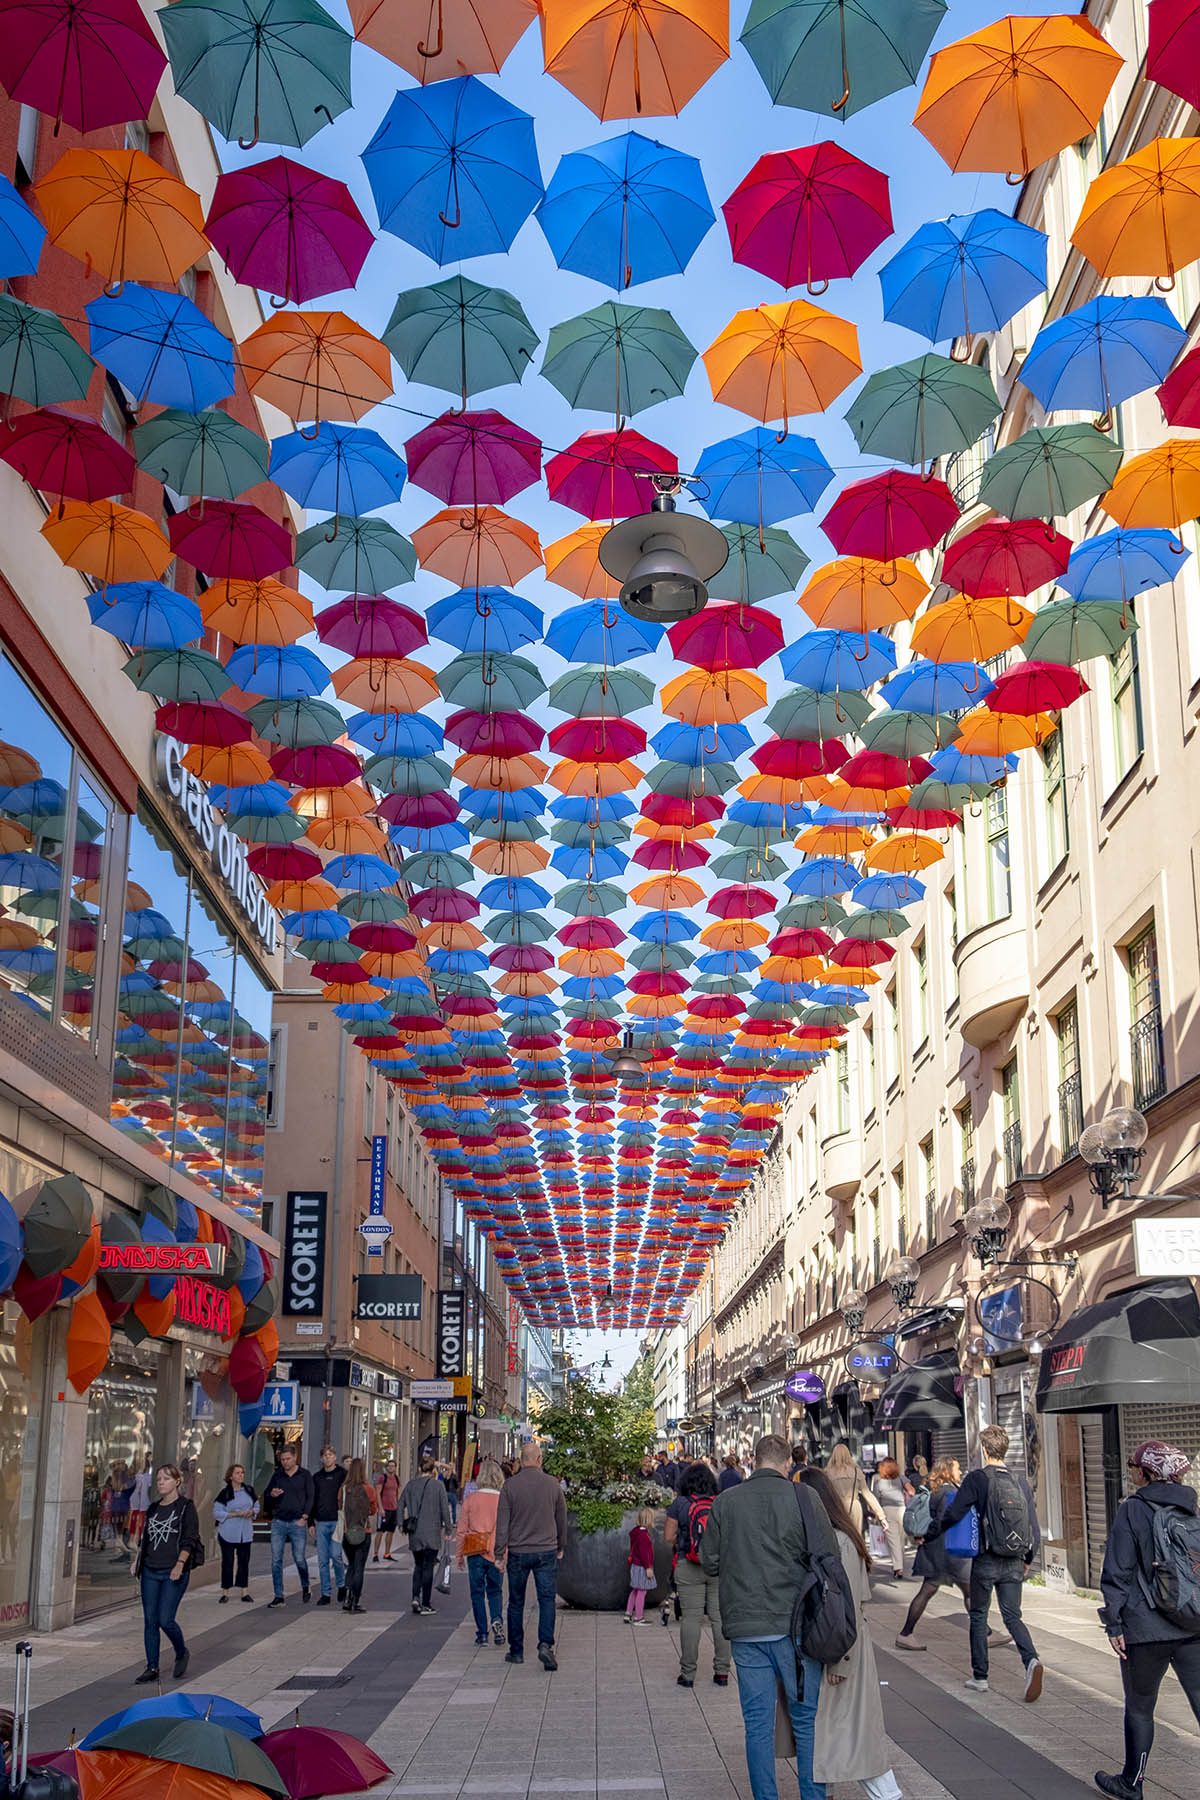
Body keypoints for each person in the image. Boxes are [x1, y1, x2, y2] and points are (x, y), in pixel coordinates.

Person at [700, 1433, 837, 1800]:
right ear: (787, 1463)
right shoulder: (805, 1498)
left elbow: (709, 1560)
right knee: (806, 1721)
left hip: (746, 1628)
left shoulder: (726, 1502)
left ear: (753, 1460)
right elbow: (828, 1555)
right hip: (796, 1628)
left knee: (757, 1725)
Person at [1094, 1440, 1200, 1799]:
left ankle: (1132, 1783)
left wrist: (1114, 1623)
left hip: (1144, 1628)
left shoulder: (1132, 1510)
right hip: (1192, 1623)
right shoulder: (1191, 1507)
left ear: (1148, 1472)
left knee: (1140, 1707)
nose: (1130, 1470)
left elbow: (1118, 1570)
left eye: (1134, 1465)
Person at [924, 1423, 1043, 1701]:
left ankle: (980, 1677)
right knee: (1013, 1616)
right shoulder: (1019, 1481)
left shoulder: (977, 1479)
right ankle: (1031, 1660)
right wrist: (1027, 1559)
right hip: (1014, 1558)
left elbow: (953, 1514)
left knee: (978, 1615)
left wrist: (929, 1535)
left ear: (985, 1450)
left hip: (987, 1558)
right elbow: (1033, 1527)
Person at [494, 1440, 567, 1671]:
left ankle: (516, 1651)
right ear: (539, 1460)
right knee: (547, 1600)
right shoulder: (553, 1485)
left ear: (520, 1460)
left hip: (518, 1551)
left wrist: (498, 1553)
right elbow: (561, 1519)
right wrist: (560, 1546)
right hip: (546, 1550)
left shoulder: (509, 1486)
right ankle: (545, 1644)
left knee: (516, 1602)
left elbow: (502, 1523)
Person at [132, 1464, 202, 1684]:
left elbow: (189, 1538)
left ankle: (181, 1652)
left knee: (165, 1619)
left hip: (173, 1570)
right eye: (159, 1479)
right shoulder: (153, 1508)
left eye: (166, 1479)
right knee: (150, 1620)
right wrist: (137, 1560)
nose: (161, 1482)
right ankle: (152, 1666)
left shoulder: (185, 1507)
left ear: (177, 1482)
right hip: (150, 1570)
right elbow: (146, 1538)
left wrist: (180, 1564)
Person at [894, 1458, 973, 1650]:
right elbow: (942, 1521)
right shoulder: (949, 1492)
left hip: (941, 1552)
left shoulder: (939, 1490)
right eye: (957, 1468)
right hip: (944, 1552)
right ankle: (905, 1633)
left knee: (961, 1590)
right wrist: (927, 1537)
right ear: (947, 1471)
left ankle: (985, 1632)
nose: (960, 1472)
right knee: (962, 1590)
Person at [665, 1460, 730, 1688]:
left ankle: (688, 1673)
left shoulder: (680, 1503)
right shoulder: (720, 1502)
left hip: (687, 1564)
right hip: (717, 1567)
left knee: (691, 1618)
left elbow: (668, 1536)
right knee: (719, 1617)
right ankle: (722, 1672)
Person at [457, 1455, 505, 1646]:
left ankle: (482, 1634)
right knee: (495, 1590)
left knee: (477, 1593)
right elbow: (507, 1529)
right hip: (496, 1552)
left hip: (475, 1551)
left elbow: (461, 1530)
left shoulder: (471, 1499)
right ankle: (496, 1619)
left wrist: (459, 1555)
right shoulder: (503, 1500)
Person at [401, 1455, 452, 1616]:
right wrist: (449, 1529)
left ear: (419, 1469)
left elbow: (400, 1504)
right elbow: (445, 1509)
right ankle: (426, 1603)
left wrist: (400, 1524)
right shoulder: (438, 1486)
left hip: (415, 1532)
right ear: (433, 1470)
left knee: (418, 1565)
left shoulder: (410, 1485)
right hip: (432, 1532)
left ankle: (415, 1596)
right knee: (428, 1566)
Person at [266, 1443, 313, 1608]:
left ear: (295, 1458)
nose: (285, 1462)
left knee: (299, 1558)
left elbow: (311, 1497)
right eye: (282, 1459)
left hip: (297, 1521)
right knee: (276, 1560)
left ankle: (306, 1585)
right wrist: (272, 1494)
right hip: (279, 1521)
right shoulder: (277, 1475)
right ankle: (278, 1595)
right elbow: (267, 1497)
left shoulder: (305, 1475)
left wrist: (305, 1517)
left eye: (288, 1459)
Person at [213, 1463, 259, 1604]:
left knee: (244, 1562)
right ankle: (225, 1592)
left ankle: (244, 1591)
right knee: (228, 1562)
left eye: (242, 1472)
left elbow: (256, 1505)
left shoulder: (249, 1490)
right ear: (230, 1476)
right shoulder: (225, 1493)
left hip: (245, 1533)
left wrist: (252, 1512)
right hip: (228, 1532)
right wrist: (234, 1514)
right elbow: (217, 1512)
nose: (241, 1475)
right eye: (238, 1473)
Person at [825, 1442, 888, 1539]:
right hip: (854, 1507)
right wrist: (881, 1516)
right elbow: (868, 1494)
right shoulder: (856, 1472)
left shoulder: (827, 1473)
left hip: (836, 1508)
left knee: (837, 1538)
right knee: (856, 1539)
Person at [311, 1445, 347, 1607]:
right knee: (322, 1560)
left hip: (337, 1520)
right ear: (321, 1458)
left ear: (334, 1457)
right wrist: (311, 1522)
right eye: (325, 1455)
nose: (327, 1457)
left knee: (336, 1555)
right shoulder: (317, 1477)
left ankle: (341, 1584)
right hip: (321, 1521)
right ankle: (326, 1593)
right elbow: (312, 1500)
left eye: (330, 1455)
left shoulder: (342, 1474)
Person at [340, 1459, 377, 1614]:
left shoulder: (343, 1489)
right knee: (359, 1567)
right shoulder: (368, 1489)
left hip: (346, 1532)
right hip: (363, 1531)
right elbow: (373, 1510)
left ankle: (347, 1599)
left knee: (351, 1565)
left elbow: (339, 1506)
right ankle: (356, 1600)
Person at [871, 1459, 908, 1581]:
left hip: (887, 1511)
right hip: (902, 1509)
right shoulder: (902, 1478)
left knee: (893, 1541)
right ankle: (899, 1565)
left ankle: (898, 1568)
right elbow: (912, 1490)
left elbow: (875, 1500)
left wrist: (877, 1514)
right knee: (901, 1540)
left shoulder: (879, 1483)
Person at [624, 1506, 656, 1624]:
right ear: (649, 1520)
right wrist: (648, 1567)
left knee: (635, 1590)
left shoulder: (636, 1532)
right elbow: (644, 1553)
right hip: (642, 1567)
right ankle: (639, 1617)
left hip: (635, 1566)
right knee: (642, 1591)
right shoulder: (643, 1536)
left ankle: (628, 1613)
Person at [372, 1460, 401, 1562]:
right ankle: (375, 1554)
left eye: (393, 1466)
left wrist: (399, 1506)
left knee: (391, 1532)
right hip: (384, 1509)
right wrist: (380, 1508)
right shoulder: (382, 1478)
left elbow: (398, 1493)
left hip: (394, 1509)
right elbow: (377, 1493)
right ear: (387, 1467)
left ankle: (387, 1553)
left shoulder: (397, 1479)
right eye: (390, 1466)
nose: (391, 1468)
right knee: (380, 1532)